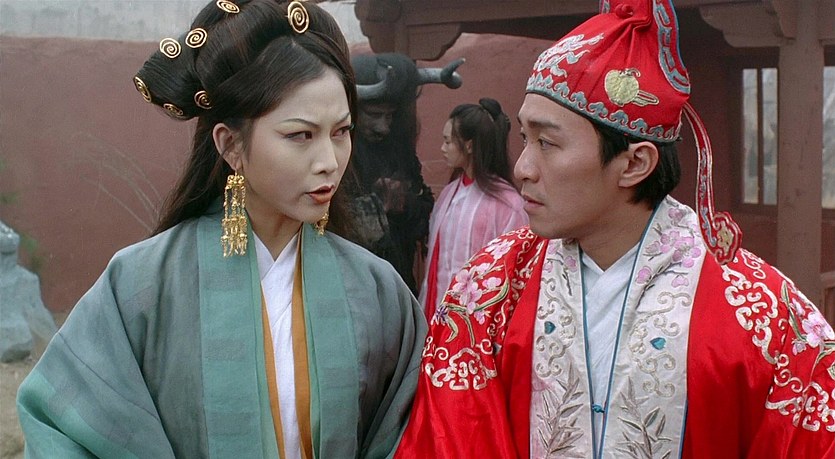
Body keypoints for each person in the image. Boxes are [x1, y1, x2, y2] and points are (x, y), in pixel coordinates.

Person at [395, 0, 835, 457]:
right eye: (525, 138)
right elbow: (448, 437)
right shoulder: (489, 290)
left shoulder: (761, 313)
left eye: (547, 143)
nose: (522, 168)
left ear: (634, 163)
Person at [16, 1, 426, 457]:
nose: (329, 161)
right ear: (231, 144)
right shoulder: (143, 285)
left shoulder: (377, 290)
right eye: (300, 135)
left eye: (341, 132)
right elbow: (64, 426)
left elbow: (417, 432)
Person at [349, 53, 464, 293]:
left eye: (390, 115)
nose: (384, 127)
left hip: (399, 280)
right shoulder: (335, 156)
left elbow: (424, 212)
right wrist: (377, 206)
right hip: (353, 283)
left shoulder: (399, 151)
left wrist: (404, 202)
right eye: (374, 115)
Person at [419, 98, 527, 321]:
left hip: (481, 319)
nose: (443, 148)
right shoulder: (449, 194)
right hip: (439, 313)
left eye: (448, 141)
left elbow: (516, 271)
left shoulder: (508, 204)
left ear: (469, 145)